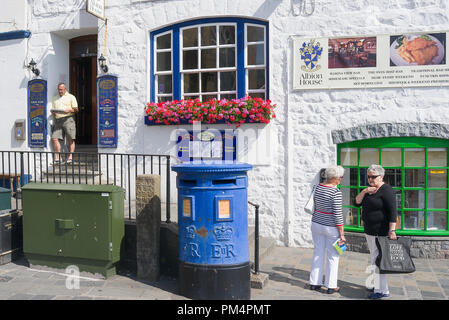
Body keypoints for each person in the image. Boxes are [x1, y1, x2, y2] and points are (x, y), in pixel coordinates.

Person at [355, 164, 397, 300]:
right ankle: (375, 285)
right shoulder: (369, 190)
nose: (370, 179)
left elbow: (392, 213)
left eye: (373, 177)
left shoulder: (387, 190)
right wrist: (365, 191)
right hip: (370, 231)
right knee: (374, 258)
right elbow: (356, 202)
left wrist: (392, 230)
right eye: (368, 176)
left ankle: (382, 291)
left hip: (381, 231)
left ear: (381, 176)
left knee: (378, 261)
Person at [309, 165, 346, 294]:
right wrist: (342, 234)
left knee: (318, 253)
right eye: (340, 177)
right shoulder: (336, 193)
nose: (341, 180)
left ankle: (314, 282)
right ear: (335, 178)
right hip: (331, 228)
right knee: (333, 256)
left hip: (316, 224)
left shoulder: (318, 187)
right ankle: (331, 285)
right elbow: (338, 214)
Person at [50, 83, 78, 164]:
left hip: (68, 119)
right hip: (58, 120)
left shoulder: (71, 97)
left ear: (65, 89)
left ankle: (70, 157)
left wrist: (69, 110)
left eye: (61, 89)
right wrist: (53, 112)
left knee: (70, 138)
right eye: (59, 89)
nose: (60, 91)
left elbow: (76, 109)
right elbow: (53, 109)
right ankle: (58, 158)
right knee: (54, 138)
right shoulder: (55, 98)